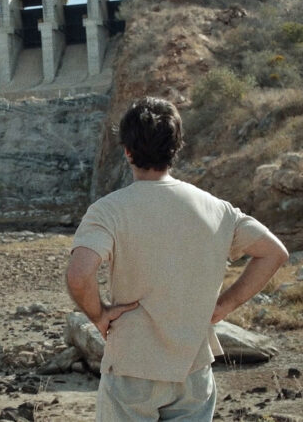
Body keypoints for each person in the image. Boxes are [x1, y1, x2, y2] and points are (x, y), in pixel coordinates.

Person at [66, 97, 289, 421]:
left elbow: (79, 275)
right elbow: (274, 253)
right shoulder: (216, 209)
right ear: (176, 148)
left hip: (132, 366)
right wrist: (222, 307)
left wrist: (98, 315)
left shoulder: (108, 210)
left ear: (127, 151)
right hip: (193, 367)